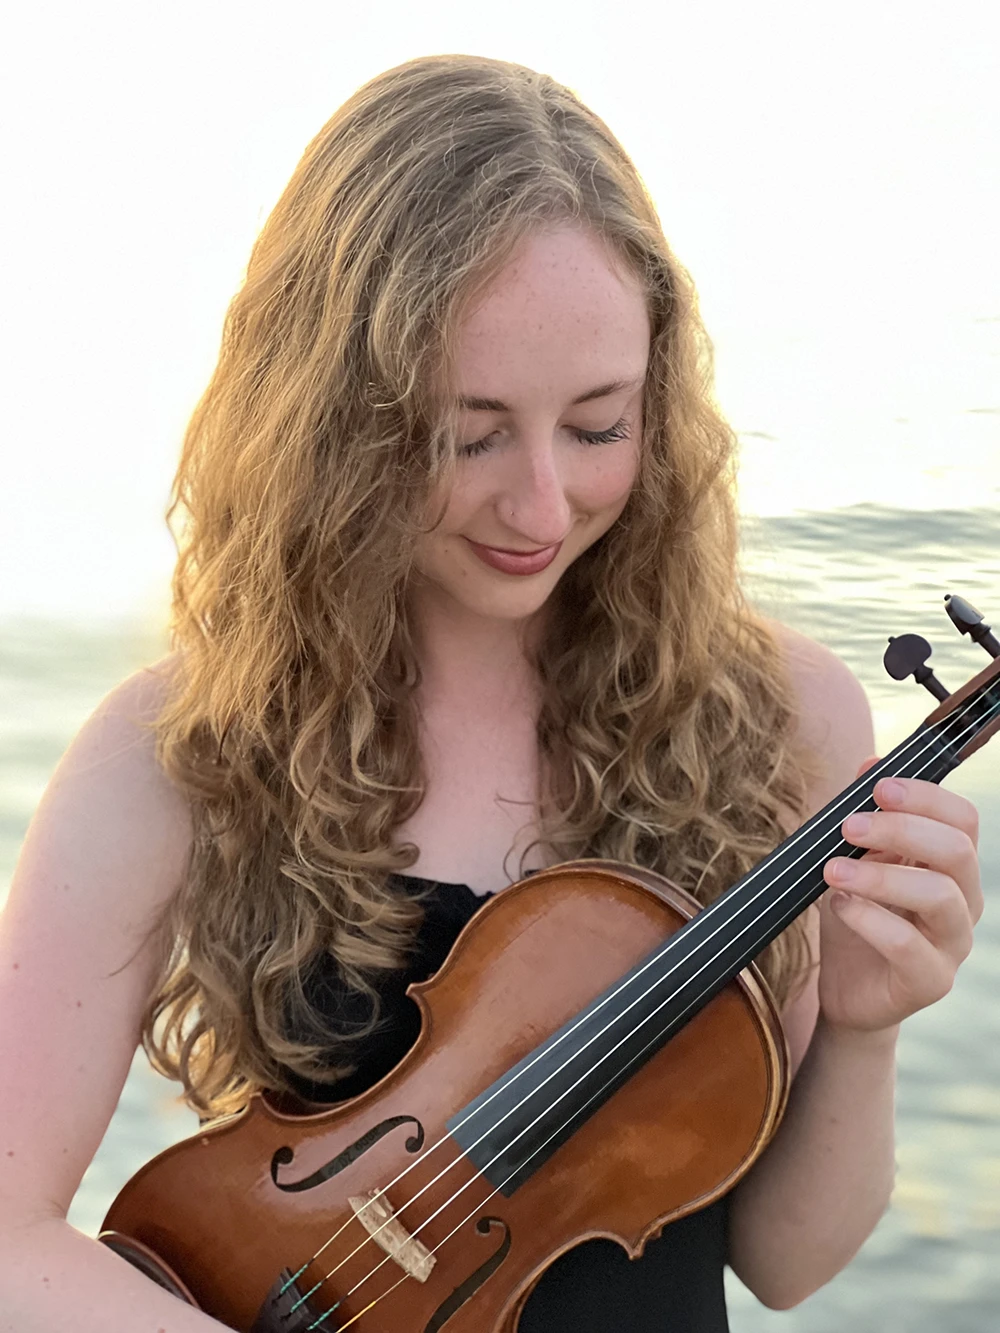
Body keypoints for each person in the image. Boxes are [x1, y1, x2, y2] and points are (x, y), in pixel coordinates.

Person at [0, 53, 984, 1333]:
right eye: (465, 435)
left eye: (596, 426)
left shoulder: (778, 715)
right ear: (333, 417)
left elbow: (785, 1263)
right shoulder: (178, 748)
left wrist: (864, 1025)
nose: (539, 505)